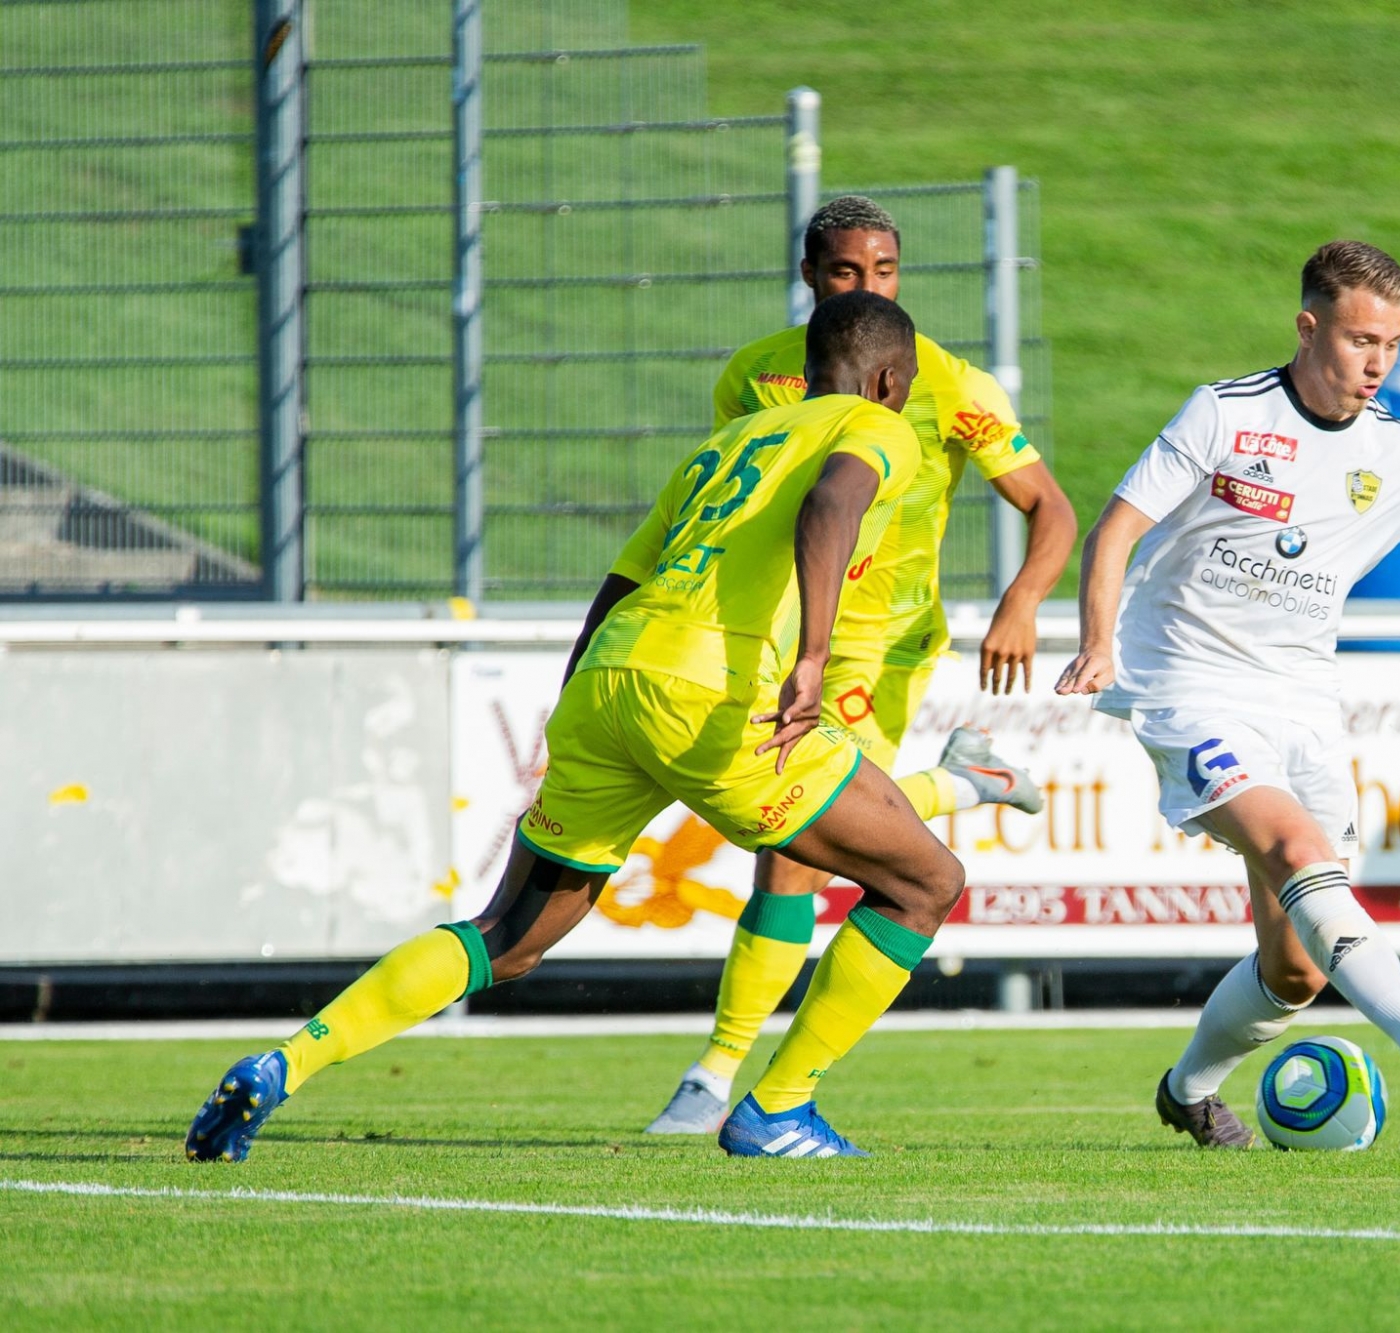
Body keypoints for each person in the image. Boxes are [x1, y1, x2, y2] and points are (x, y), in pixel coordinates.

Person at [187, 291, 966, 1161]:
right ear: (891, 378)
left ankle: (283, 1063)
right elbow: (832, 505)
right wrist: (814, 657)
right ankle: (779, 1108)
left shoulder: (728, 443)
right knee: (924, 882)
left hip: (609, 681)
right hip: (715, 691)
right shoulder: (878, 426)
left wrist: (576, 711)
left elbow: (622, 581)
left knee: (508, 936)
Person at [1054, 240, 1400, 1147]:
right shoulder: (1224, 413)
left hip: (1304, 706)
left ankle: (1188, 1090)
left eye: (1394, 345)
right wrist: (1098, 642)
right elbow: (1116, 528)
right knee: (1296, 846)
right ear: (1308, 326)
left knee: (1296, 973)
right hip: (1187, 684)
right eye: (1361, 339)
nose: (1378, 363)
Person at [645, 195, 1077, 1136]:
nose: (866, 287)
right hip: (771, 638)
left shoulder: (947, 383)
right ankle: (962, 782)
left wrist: (1021, 602)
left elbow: (1051, 507)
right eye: (846, 273)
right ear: (810, 276)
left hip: (873, 646)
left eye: (882, 273)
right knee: (791, 837)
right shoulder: (754, 378)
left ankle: (718, 1078)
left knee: (790, 853)